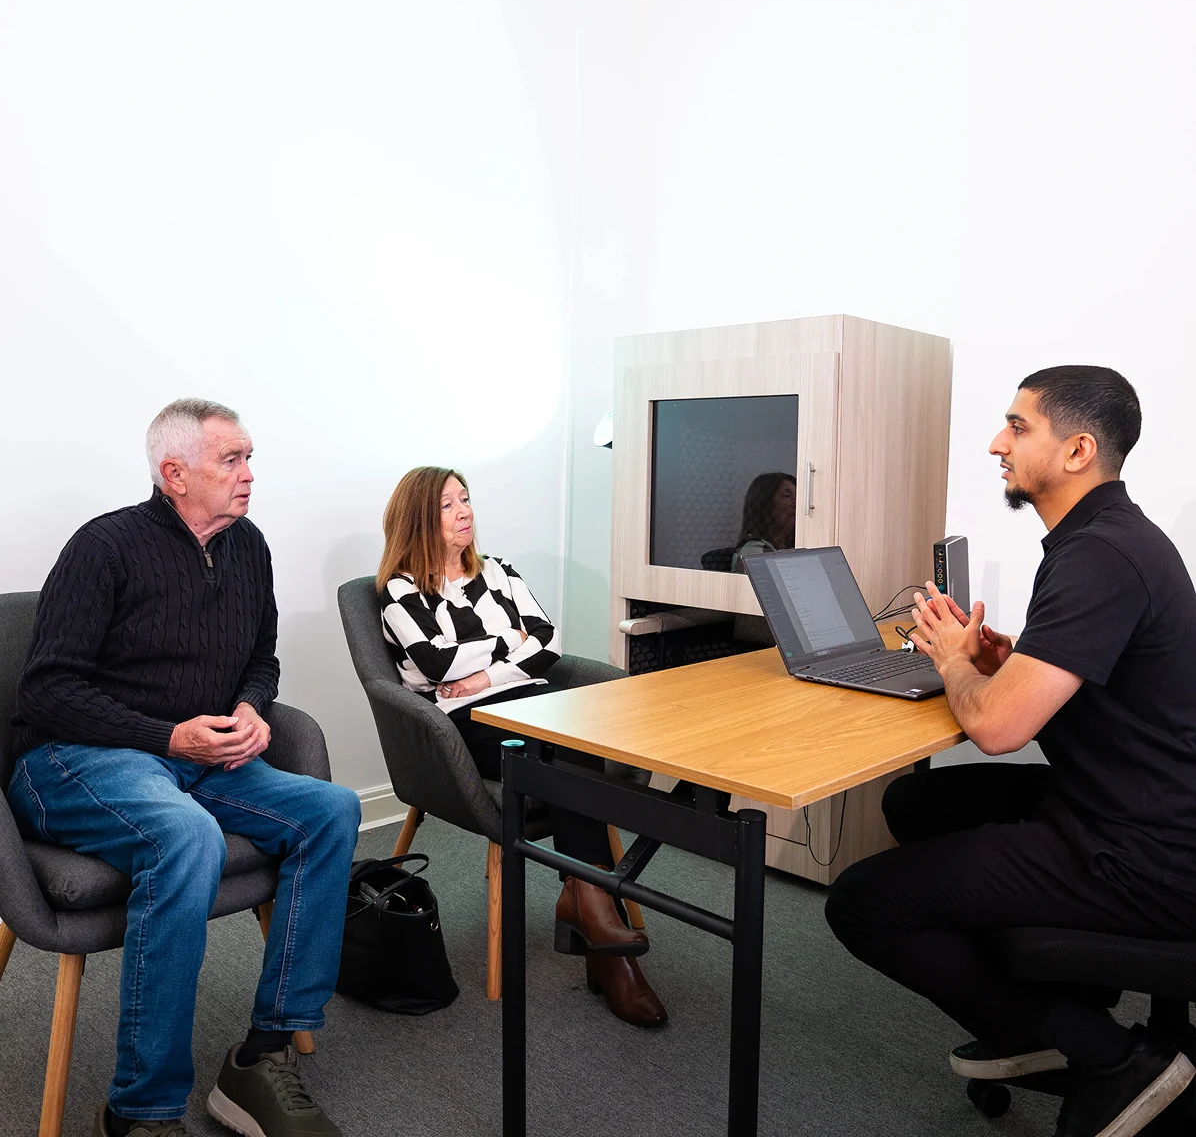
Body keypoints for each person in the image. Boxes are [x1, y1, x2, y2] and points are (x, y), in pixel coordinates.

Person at [824, 366, 1196, 1137]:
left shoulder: (1101, 555)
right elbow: (1094, 673)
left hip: (1146, 854)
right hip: (1132, 807)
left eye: (1019, 427)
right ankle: (1062, 995)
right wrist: (1007, 662)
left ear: (1078, 450)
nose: (998, 443)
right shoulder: (1102, 538)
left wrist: (954, 663)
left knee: (862, 903)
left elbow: (997, 732)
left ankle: (1103, 1054)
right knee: (914, 802)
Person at [9, 399, 360, 1137]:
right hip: (74, 761)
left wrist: (253, 705)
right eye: (232, 460)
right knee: (186, 838)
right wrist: (169, 737)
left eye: (249, 457)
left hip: (201, 762)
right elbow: (48, 691)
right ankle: (141, 1107)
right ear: (174, 474)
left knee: (331, 810)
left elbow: (261, 656)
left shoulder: (249, 546)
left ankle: (260, 1056)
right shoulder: (103, 548)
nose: (250, 475)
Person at [376, 465, 667, 1027]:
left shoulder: (499, 572)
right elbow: (436, 665)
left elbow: (550, 644)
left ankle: (586, 900)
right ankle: (599, 920)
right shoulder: (399, 591)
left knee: (569, 740)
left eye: (466, 499)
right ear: (418, 517)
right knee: (553, 750)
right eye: (447, 505)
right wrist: (511, 643)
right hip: (467, 722)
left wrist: (485, 672)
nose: (466, 512)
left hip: (515, 699)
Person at [729, 471, 797, 572]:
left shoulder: (790, 547)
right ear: (765, 504)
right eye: (787, 496)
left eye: (798, 496)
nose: (796, 504)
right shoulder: (754, 552)